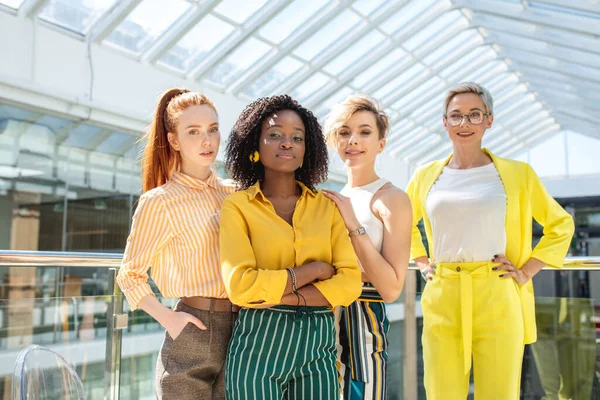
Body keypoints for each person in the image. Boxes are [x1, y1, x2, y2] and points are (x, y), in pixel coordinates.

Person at [406, 82, 574, 399]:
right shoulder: (425, 175)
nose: (464, 123)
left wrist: (526, 271)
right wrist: (421, 260)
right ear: (445, 123)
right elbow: (401, 223)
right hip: (443, 293)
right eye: (455, 116)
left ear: (489, 120)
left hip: (497, 292)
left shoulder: (517, 174)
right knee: (442, 392)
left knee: (499, 392)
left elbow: (560, 224)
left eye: (474, 114)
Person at [220, 94, 362, 400]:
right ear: (254, 145)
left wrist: (284, 295)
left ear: (305, 150)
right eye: (275, 135)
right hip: (257, 346)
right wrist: (314, 270)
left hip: (318, 348)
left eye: (297, 138)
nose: (287, 143)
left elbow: (350, 283)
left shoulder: (327, 207)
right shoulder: (238, 207)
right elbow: (241, 286)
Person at [117, 88, 237, 400]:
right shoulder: (160, 202)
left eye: (212, 130)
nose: (207, 141)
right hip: (192, 327)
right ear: (174, 140)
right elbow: (129, 274)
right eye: (193, 132)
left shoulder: (235, 194)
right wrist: (169, 320)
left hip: (242, 328)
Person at [321, 95, 412, 400]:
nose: (353, 141)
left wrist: (352, 226)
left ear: (381, 144)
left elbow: (390, 289)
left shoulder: (391, 198)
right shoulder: (334, 197)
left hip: (363, 320)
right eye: (344, 132)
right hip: (321, 320)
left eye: (364, 132)